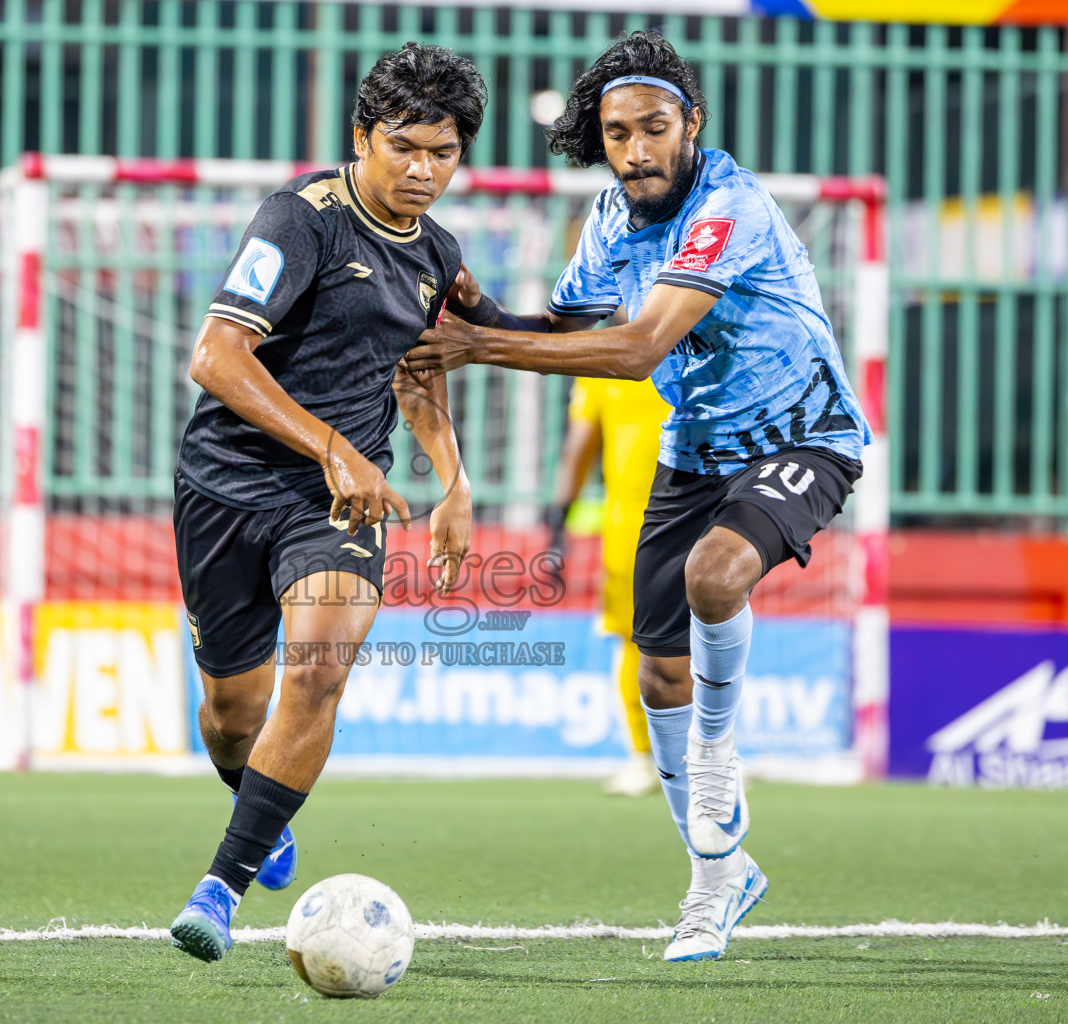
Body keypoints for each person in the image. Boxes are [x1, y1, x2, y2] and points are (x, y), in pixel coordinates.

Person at [408, 31, 869, 962]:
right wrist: (477, 309)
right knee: (655, 671)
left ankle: (714, 761)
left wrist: (478, 347)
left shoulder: (726, 207)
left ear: (690, 124)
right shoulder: (612, 220)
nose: (636, 149)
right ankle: (718, 879)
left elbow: (635, 350)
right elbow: (571, 327)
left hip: (805, 436)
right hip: (695, 452)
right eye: (618, 133)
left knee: (716, 574)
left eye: (654, 128)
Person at [168, 42, 486, 963]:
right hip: (226, 485)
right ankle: (255, 796)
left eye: (443, 152)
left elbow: (417, 376)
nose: (424, 170)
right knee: (232, 714)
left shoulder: (436, 254)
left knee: (318, 671)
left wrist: (453, 484)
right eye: (405, 148)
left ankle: (219, 890)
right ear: (362, 137)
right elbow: (216, 357)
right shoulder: (300, 219)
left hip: (337, 506)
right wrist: (335, 447)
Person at [548, 374, 674, 797]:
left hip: (640, 527)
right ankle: (688, 755)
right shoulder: (699, 346)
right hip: (685, 520)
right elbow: (579, 447)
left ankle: (652, 758)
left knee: (639, 642)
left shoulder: (607, 358)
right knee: (703, 637)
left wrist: (557, 525)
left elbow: (578, 447)